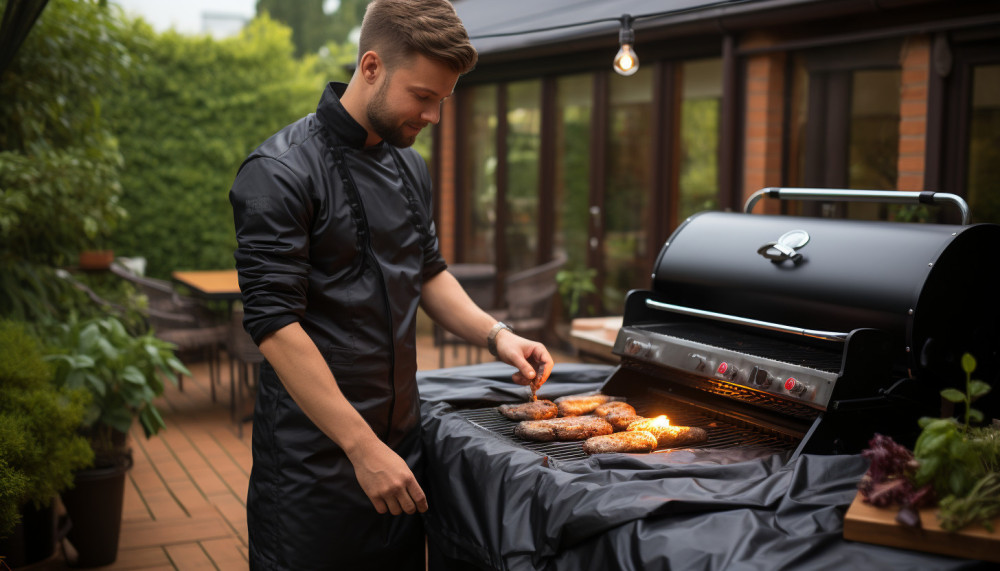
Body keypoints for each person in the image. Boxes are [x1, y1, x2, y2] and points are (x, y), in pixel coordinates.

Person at [229, 0, 553, 568]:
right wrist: (361, 448)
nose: (432, 116)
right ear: (372, 66)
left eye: (443, 101)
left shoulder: (410, 166)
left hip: (401, 447)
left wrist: (498, 334)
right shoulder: (279, 172)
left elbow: (427, 271)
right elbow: (275, 325)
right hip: (315, 462)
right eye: (423, 96)